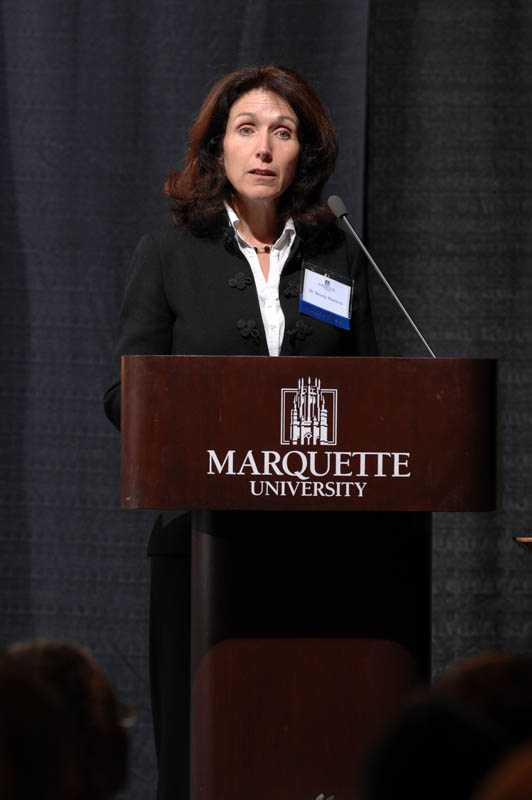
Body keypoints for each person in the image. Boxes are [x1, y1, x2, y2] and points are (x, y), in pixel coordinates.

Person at [104, 65, 428, 799]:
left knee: (310, 744)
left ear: (302, 153)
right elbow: (127, 396)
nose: (263, 148)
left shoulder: (338, 255)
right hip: (202, 542)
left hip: (324, 548)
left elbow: (370, 393)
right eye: (246, 129)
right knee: (205, 753)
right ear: (216, 148)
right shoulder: (168, 254)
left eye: (282, 132)